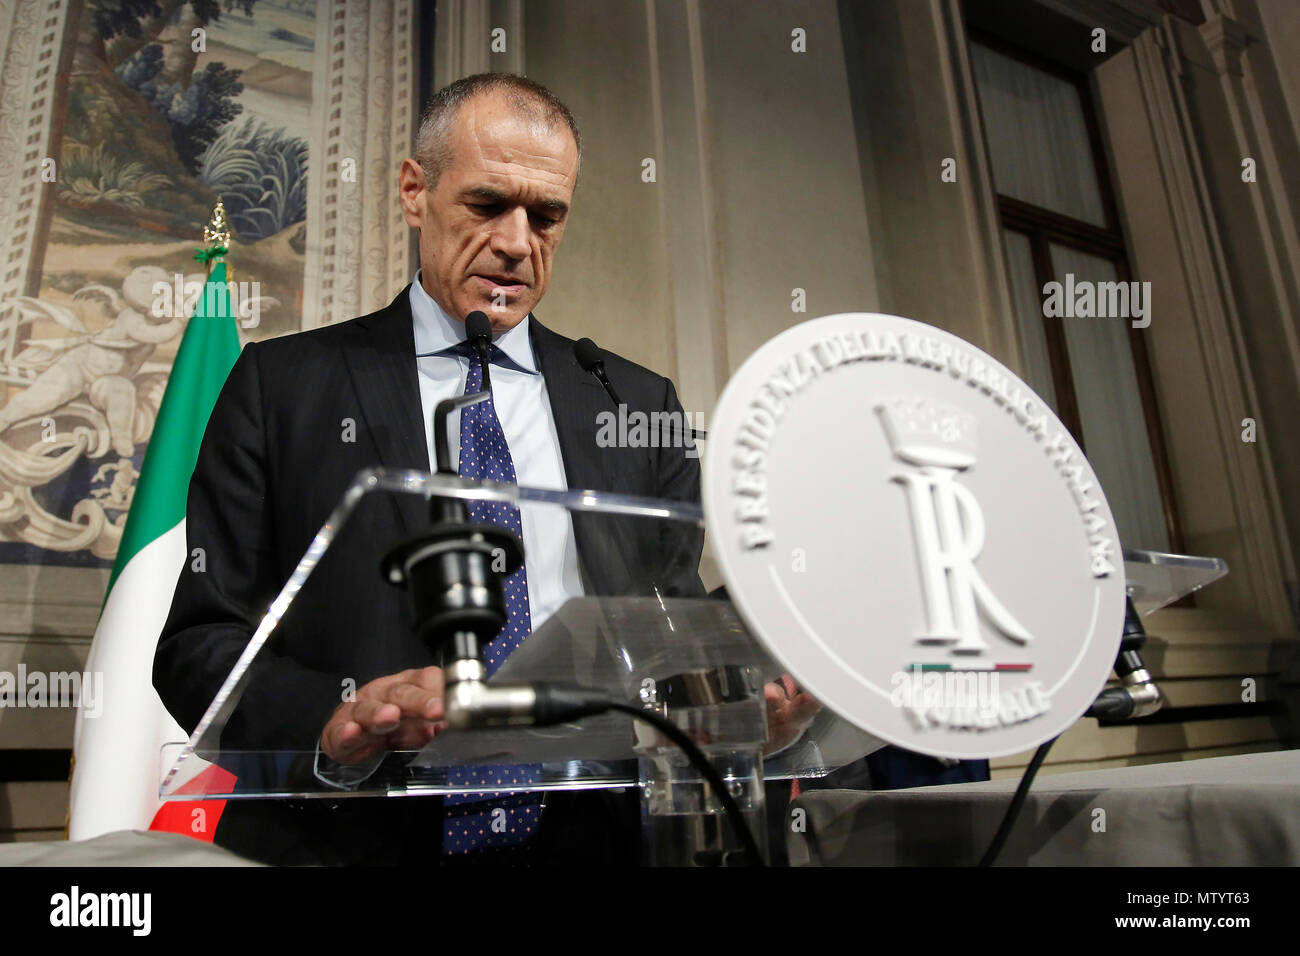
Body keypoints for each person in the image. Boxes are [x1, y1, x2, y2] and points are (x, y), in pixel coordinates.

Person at [154, 72, 818, 866]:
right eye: (486, 204)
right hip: (353, 842)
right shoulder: (284, 386)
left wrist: (738, 714)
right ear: (414, 191)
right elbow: (200, 643)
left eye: (546, 216)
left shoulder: (636, 402)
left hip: (597, 846)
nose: (515, 241)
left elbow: (668, 643)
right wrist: (332, 723)